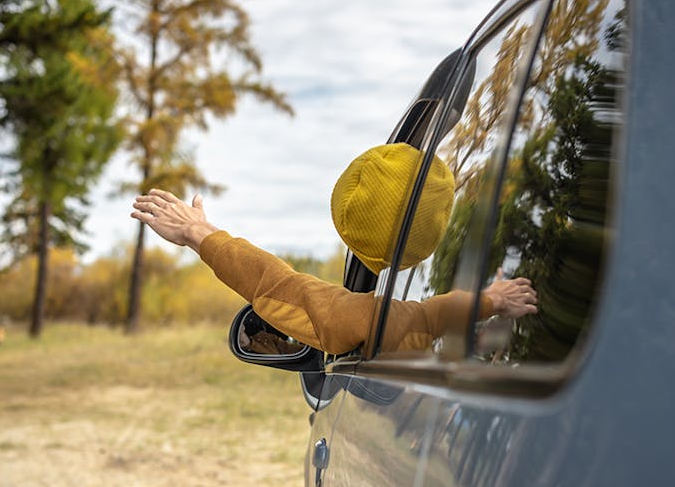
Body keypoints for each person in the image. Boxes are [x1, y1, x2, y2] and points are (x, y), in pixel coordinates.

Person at [130, 143, 537, 354]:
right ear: (435, 227)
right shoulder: (412, 320)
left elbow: (279, 287)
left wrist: (200, 234)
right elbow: (439, 312)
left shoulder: (372, 319)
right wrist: (493, 299)